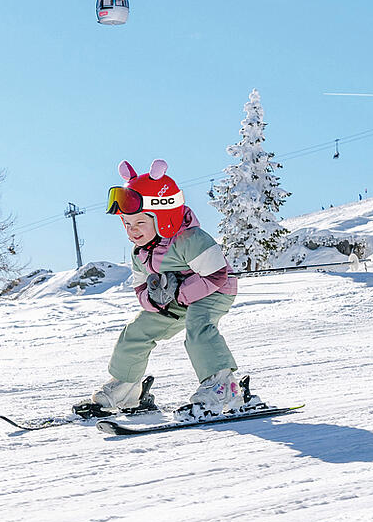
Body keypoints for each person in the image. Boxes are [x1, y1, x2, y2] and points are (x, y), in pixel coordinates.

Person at [76, 159, 249, 419]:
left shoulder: (190, 239)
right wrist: (155, 299)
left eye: (139, 224)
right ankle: (127, 387)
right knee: (137, 329)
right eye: (127, 224)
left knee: (198, 326)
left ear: (164, 218)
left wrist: (178, 292)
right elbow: (139, 289)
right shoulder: (140, 252)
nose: (132, 231)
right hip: (176, 300)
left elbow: (216, 275)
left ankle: (222, 386)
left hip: (216, 291)